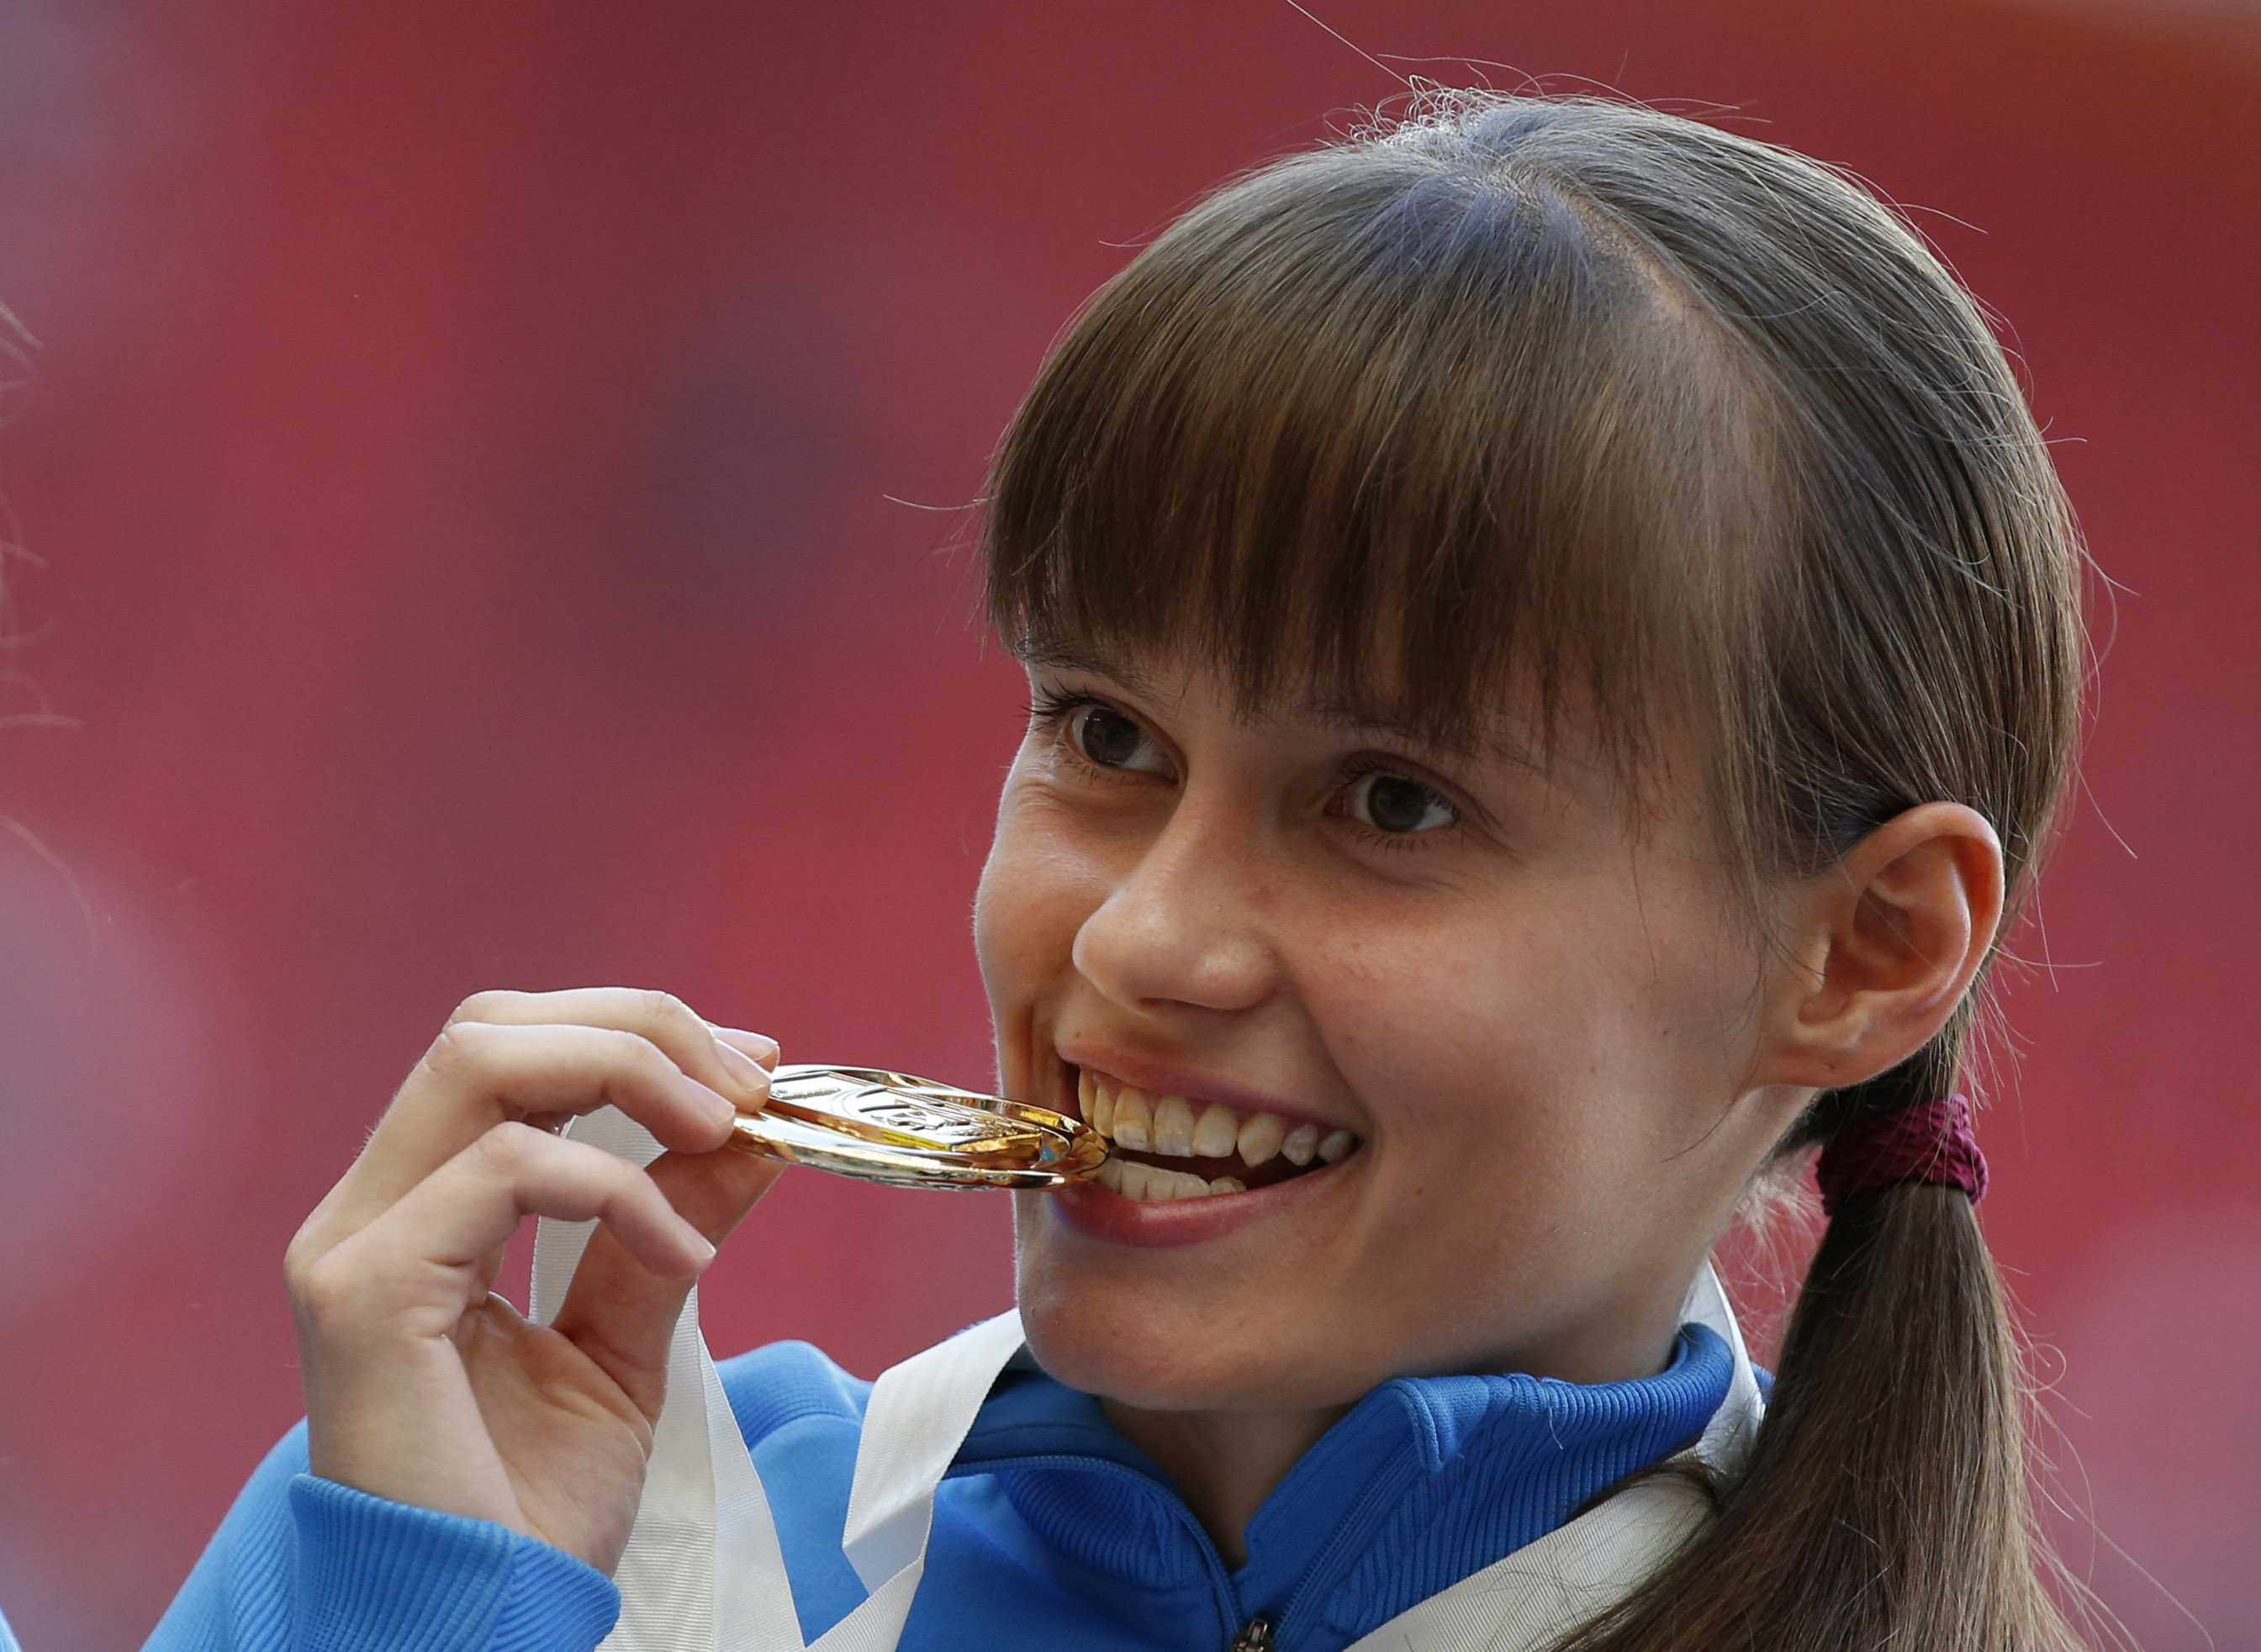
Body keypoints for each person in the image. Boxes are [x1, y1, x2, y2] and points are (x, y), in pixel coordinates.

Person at [148, 87, 2106, 1650]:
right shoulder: (518, 1533)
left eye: (1391, 803)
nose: (1141, 933)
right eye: (1103, 733)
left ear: (1861, 948)